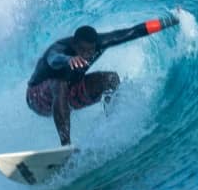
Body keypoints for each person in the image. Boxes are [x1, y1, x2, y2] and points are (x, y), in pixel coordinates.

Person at [26, 14, 180, 146]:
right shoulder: (60, 49)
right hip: (38, 99)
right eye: (82, 50)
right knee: (59, 83)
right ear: (74, 44)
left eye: (90, 50)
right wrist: (68, 59)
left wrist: (170, 20)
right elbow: (53, 59)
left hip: (70, 96)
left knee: (111, 79)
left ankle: (112, 126)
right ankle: (66, 146)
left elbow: (134, 31)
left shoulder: (101, 43)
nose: (86, 54)